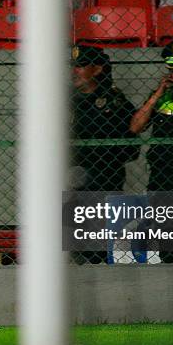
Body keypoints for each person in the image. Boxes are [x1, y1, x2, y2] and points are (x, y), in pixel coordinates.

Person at [70, 45, 139, 264]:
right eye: (72, 66)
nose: (74, 71)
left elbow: (129, 139)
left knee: (101, 233)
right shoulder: (64, 99)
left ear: (97, 69)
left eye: (80, 66)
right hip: (72, 175)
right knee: (75, 234)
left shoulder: (113, 101)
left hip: (103, 175)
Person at [130, 41, 173, 263]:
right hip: (164, 172)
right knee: (167, 224)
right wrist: (158, 93)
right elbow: (136, 126)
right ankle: (170, 258)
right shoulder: (162, 98)